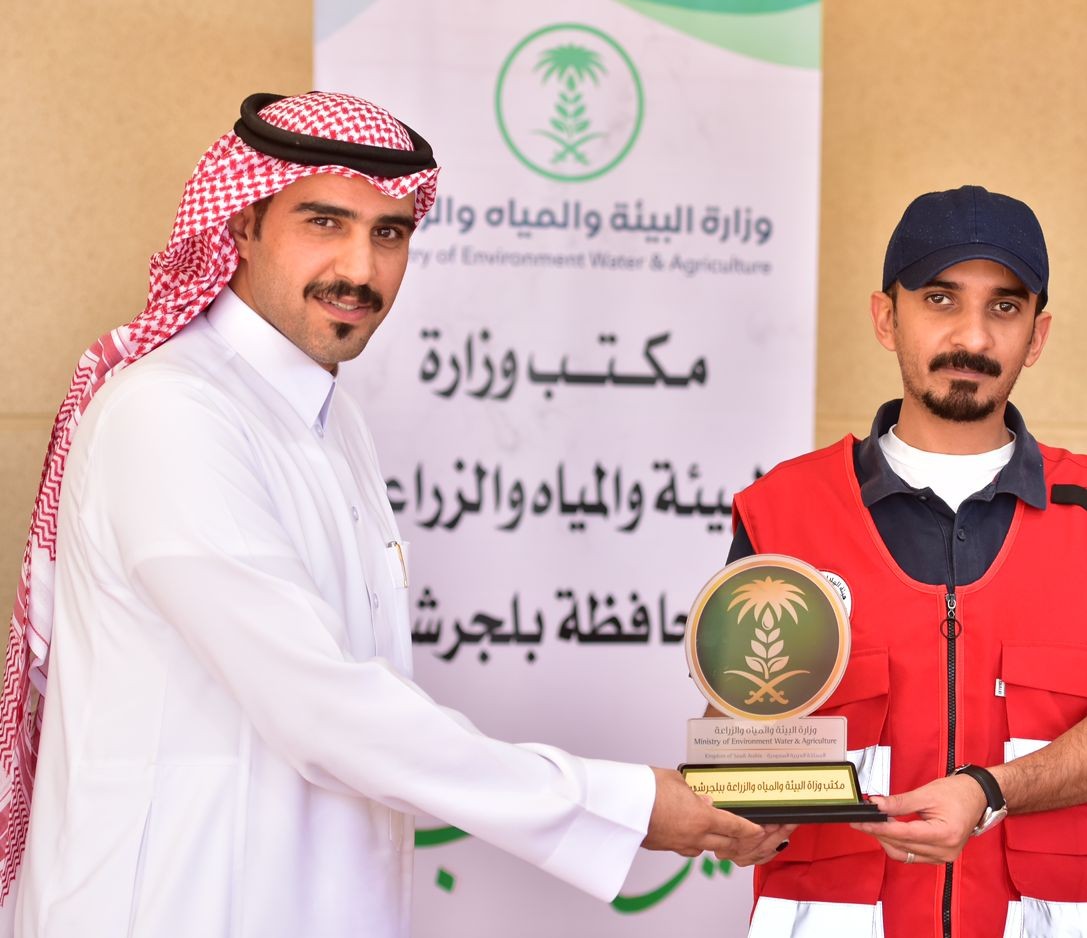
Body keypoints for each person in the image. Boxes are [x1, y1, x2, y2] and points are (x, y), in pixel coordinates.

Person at [0, 92, 761, 937]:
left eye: (389, 234)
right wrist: (624, 804)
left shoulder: (331, 420)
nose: (360, 270)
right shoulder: (171, 412)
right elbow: (321, 709)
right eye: (324, 223)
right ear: (242, 224)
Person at [724, 185, 1087, 938]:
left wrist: (990, 791)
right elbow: (739, 732)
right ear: (886, 317)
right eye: (940, 299)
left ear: (1036, 336)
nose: (972, 335)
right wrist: (744, 803)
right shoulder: (784, 511)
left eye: (1004, 307)